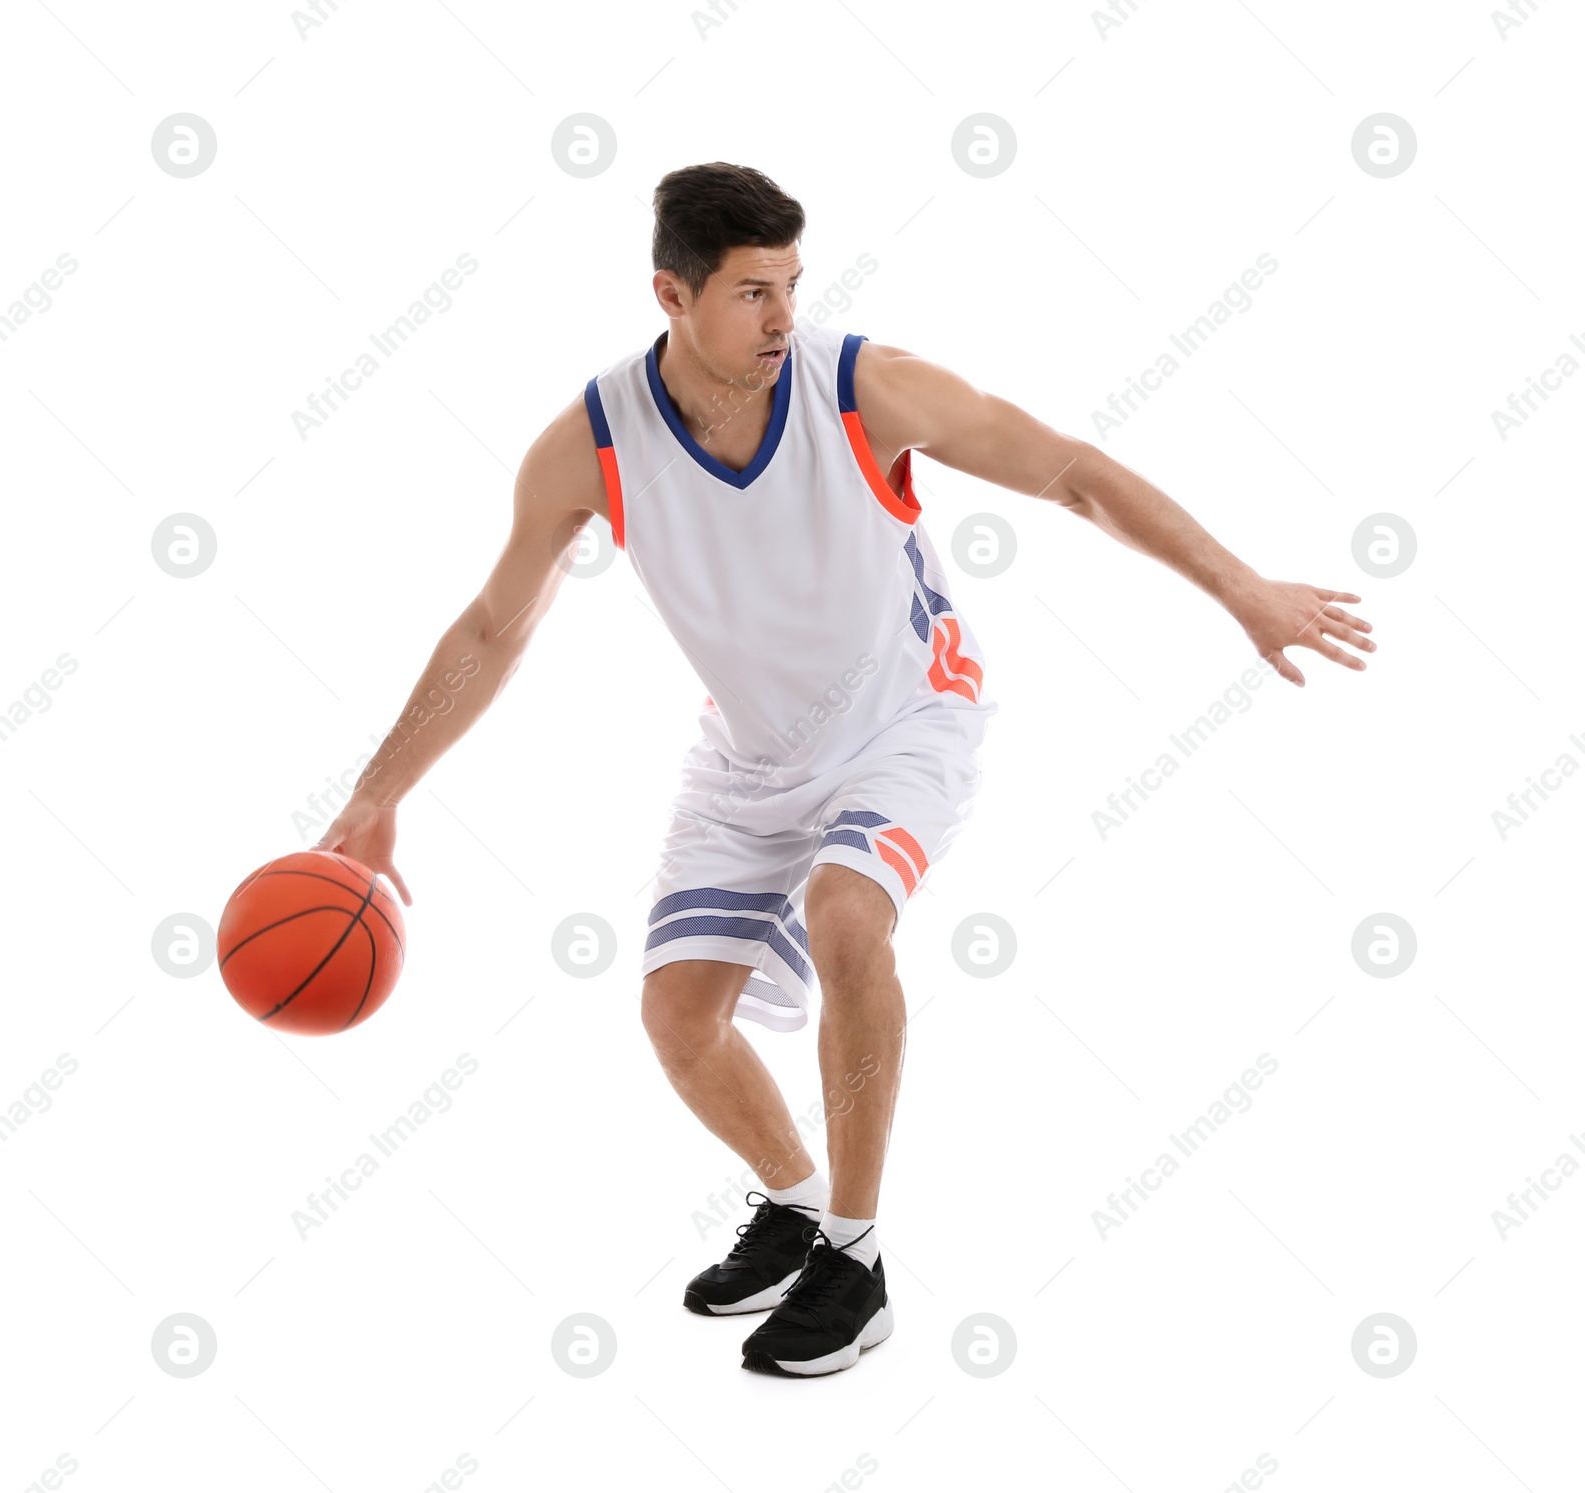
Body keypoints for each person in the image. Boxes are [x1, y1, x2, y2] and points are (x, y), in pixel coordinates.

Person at [316, 161, 1376, 1378]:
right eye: (754, 292)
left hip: (907, 717)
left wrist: (1240, 586)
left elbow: (1071, 470)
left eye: (793, 286)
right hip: (751, 753)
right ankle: (799, 1199)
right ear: (671, 292)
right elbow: (494, 627)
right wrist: (376, 792)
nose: (782, 318)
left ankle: (857, 1261)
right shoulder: (593, 441)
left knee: (844, 914)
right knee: (677, 1017)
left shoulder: (857, 385)